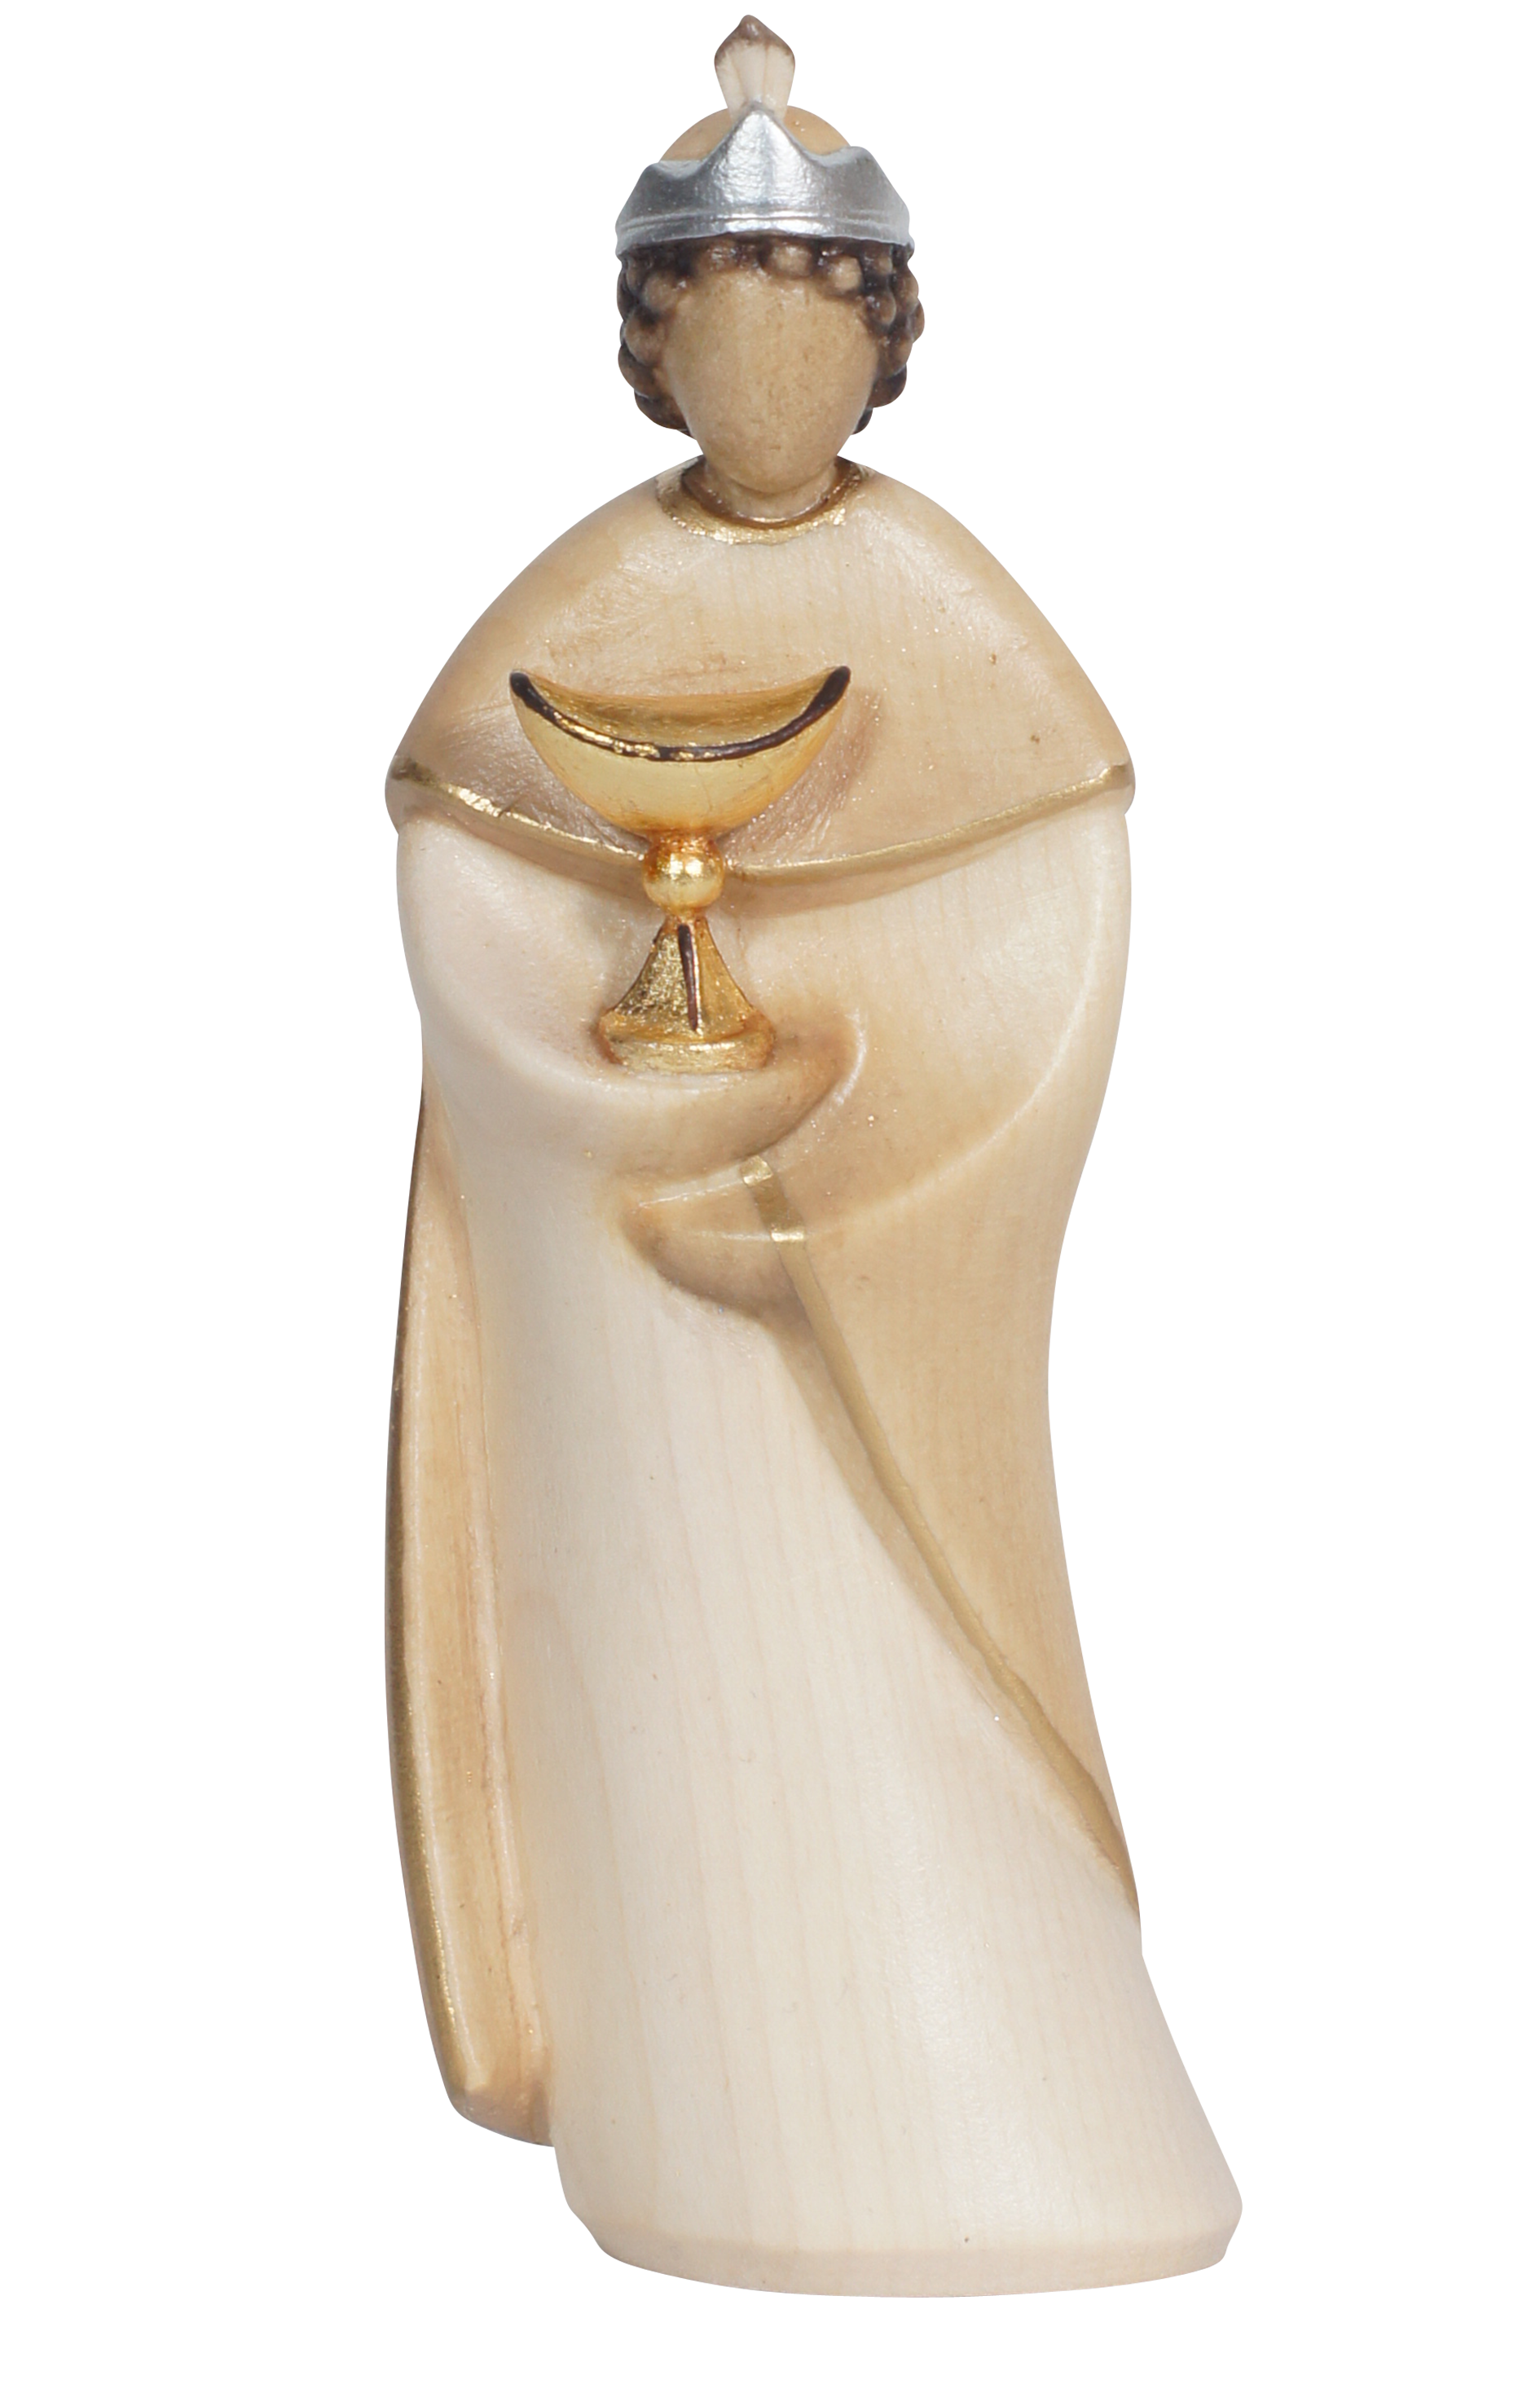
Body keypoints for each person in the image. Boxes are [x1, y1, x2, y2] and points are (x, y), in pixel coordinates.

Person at [389, 18, 1237, 2294]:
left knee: (909, 1704)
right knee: (675, 1693)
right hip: (632, 1310)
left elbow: (1050, 942)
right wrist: (603, 1093)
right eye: (723, 331)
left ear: (881, 351)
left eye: (816, 331)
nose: (772, 381)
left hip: (851, 1283)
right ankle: (704, 2122)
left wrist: (850, 1157)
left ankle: (1001, 2125)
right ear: (655, 353)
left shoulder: (956, 624)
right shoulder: (574, 623)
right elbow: (466, 880)